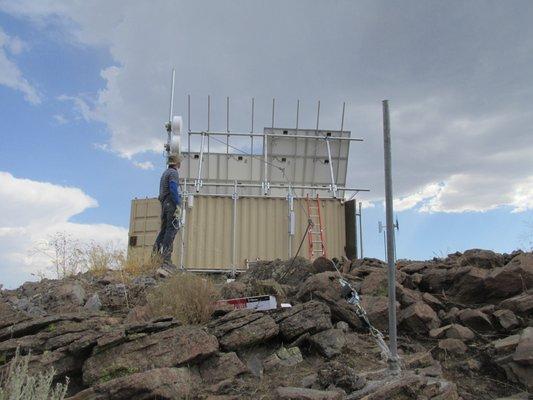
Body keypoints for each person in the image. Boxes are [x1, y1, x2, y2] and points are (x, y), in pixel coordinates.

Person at [153, 153, 182, 272]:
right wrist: (178, 204)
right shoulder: (173, 173)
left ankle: (155, 256)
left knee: (164, 230)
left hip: (164, 204)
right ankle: (166, 258)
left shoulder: (165, 173)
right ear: (177, 163)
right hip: (171, 203)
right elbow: (173, 188)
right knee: (171, 229)